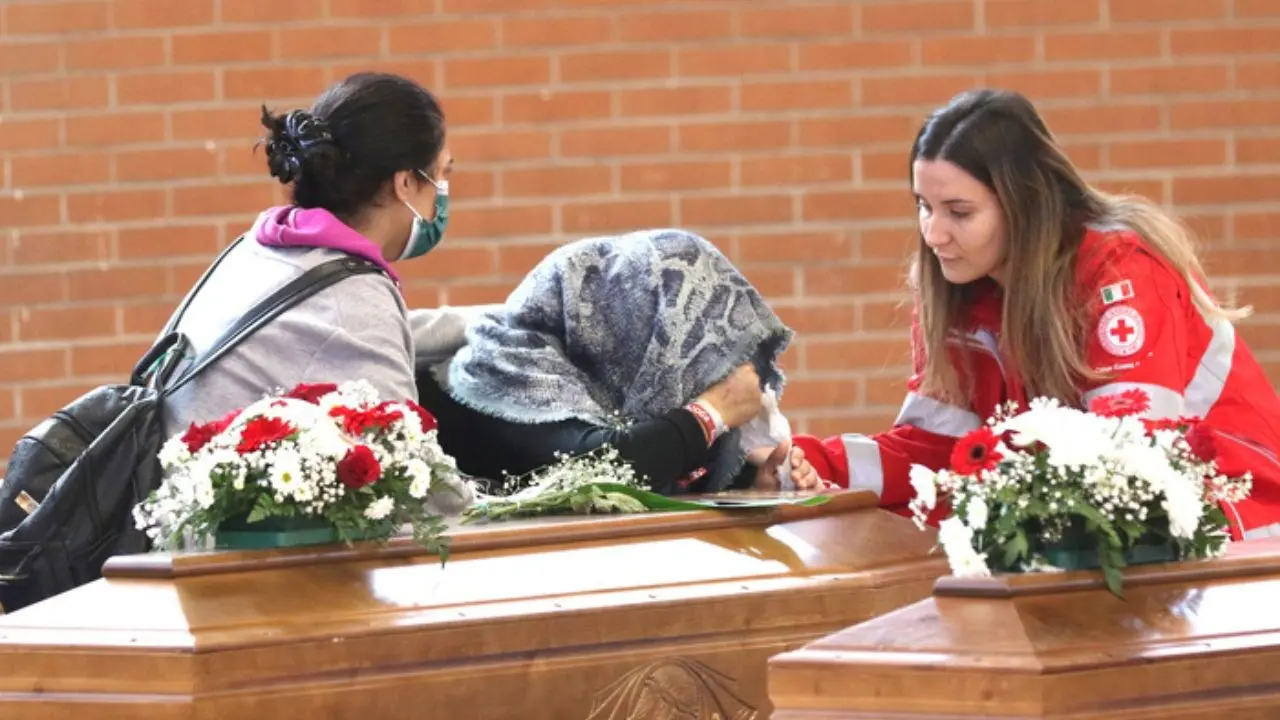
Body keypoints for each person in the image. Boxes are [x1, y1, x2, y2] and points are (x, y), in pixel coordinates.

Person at [792, 89, 1280, 541]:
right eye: (924, 206)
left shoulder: (1119, 271)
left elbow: (1130, 458)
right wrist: (814, 464)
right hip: (1103, 539)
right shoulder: (956, 287)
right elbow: (939, 454)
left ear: (1025, 205)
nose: (933, 234)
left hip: (1238, 528)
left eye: (958, 213)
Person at [158, 72, 462, 508]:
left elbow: (372, 338)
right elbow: (421, 485)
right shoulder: (351, 295)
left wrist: (485, 324)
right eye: (440, 176)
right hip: (220, 552)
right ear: (405, 183)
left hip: (169, 520)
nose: (442, 197)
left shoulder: (262, 249)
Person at [417, 229, 822, 496]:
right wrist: (712, 412)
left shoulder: (606, 388)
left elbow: (654, 466)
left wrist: (752, 482)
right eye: (692, 344)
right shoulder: (507, 367)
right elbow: (601, 473)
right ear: (633, 334)